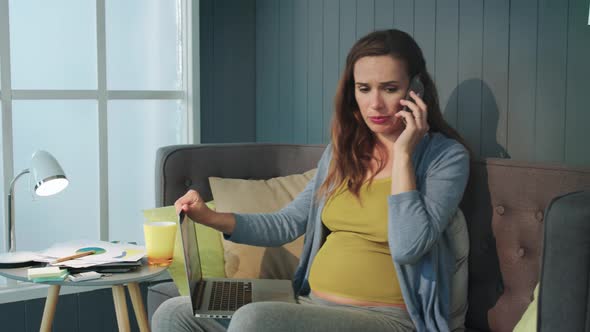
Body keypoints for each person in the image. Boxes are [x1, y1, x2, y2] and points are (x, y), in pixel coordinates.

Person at [152, 29, 470, 332]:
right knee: (177, 312)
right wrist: (209, 218)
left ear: (416, 90)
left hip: (388, 320)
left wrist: (402, 155)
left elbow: (409, 246)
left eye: (389, 88)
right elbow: (287, 223)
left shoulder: (445, 159)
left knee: (252, 321)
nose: (375, 104)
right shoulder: (341, 154)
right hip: (310, 303)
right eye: (364, 89)